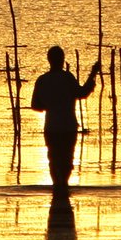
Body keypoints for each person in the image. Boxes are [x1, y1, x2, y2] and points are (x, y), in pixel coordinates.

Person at [29, 46, 100, 192]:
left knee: (54, 160)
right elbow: (82, 93)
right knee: (67, 160)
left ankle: (58, 187)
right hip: (68, 127)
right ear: (62, 60)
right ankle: (63, 187)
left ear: (49, 60)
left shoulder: (42, 80)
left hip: (52, 128)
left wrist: (49, 105)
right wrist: (93, 74)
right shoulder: (67, 78)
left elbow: (35, 105)